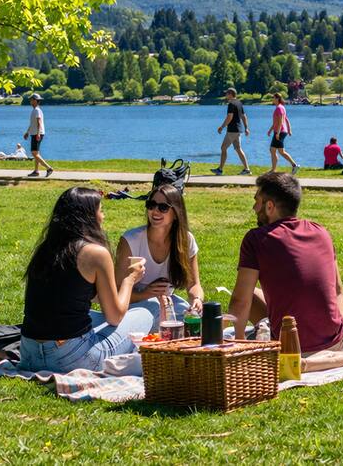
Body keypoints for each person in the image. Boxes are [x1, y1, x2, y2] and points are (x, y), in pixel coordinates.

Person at [19, 187, 153, 373]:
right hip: (71, 358)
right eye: (101, 210)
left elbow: (72, 298)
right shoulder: (95, 253)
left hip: (28, 353)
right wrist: (131, 279)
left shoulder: (46, 249)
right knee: (144, 314)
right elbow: (114, 317)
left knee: (92, 316)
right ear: (88, 216)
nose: (103, 216)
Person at [228, 173, 343, 354]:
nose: (254, 207)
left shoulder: (256, 239)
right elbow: (338, 289)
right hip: (335, 343)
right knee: (255, 294)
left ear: (270, 206)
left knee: (248, 295)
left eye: (257, 201)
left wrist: (238, 347)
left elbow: (240, 301)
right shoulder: (321, 232)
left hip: (290, 349)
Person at [114, 184, 204, 330]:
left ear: (176, 213)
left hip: (167, 303)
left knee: (199, 322)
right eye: (151, 205)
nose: (155, 211)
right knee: (159, 314)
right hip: (135, 307)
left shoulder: (185, 240)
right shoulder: (130, 240)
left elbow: (193, 284)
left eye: (163, 207)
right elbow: (116, 292)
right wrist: (146, 294)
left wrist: (197, 300)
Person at [212, 88, 250, 176]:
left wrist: (222, 127)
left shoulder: (231, 104)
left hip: (232, 130)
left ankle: (220, 169)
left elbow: (230, 117)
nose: (225, 95)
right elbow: (244, 116)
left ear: (230, 94)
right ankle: (247, 169)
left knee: (223, 148)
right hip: (238, 130)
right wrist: (246, 128)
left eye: (226, 94)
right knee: (238, 149)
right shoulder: (239, 103)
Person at [267, 93, 299, 174]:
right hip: (280, 131)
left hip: (280, 132)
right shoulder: (281, 107)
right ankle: (294, 166)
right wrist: (270, 130)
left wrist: (277, 133)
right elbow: (282, 120)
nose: (272, 99)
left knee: (273, 150)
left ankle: (274, 170)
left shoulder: (279, 108)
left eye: (273, 98)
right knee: (280, 151)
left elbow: (281, 121)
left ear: (277, 98)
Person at [23, 93, 53, 177]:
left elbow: (39, 122)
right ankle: (36, 171)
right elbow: (33, 123)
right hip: (34, 133)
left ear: (35, 101)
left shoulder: (37, 110)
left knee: (34, 153)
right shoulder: (35, 110)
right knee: (37, 153)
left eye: (31, 99)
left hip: (37, 133)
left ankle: (49, 168)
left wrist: (38, 133)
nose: (30, 101)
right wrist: (27, 132)